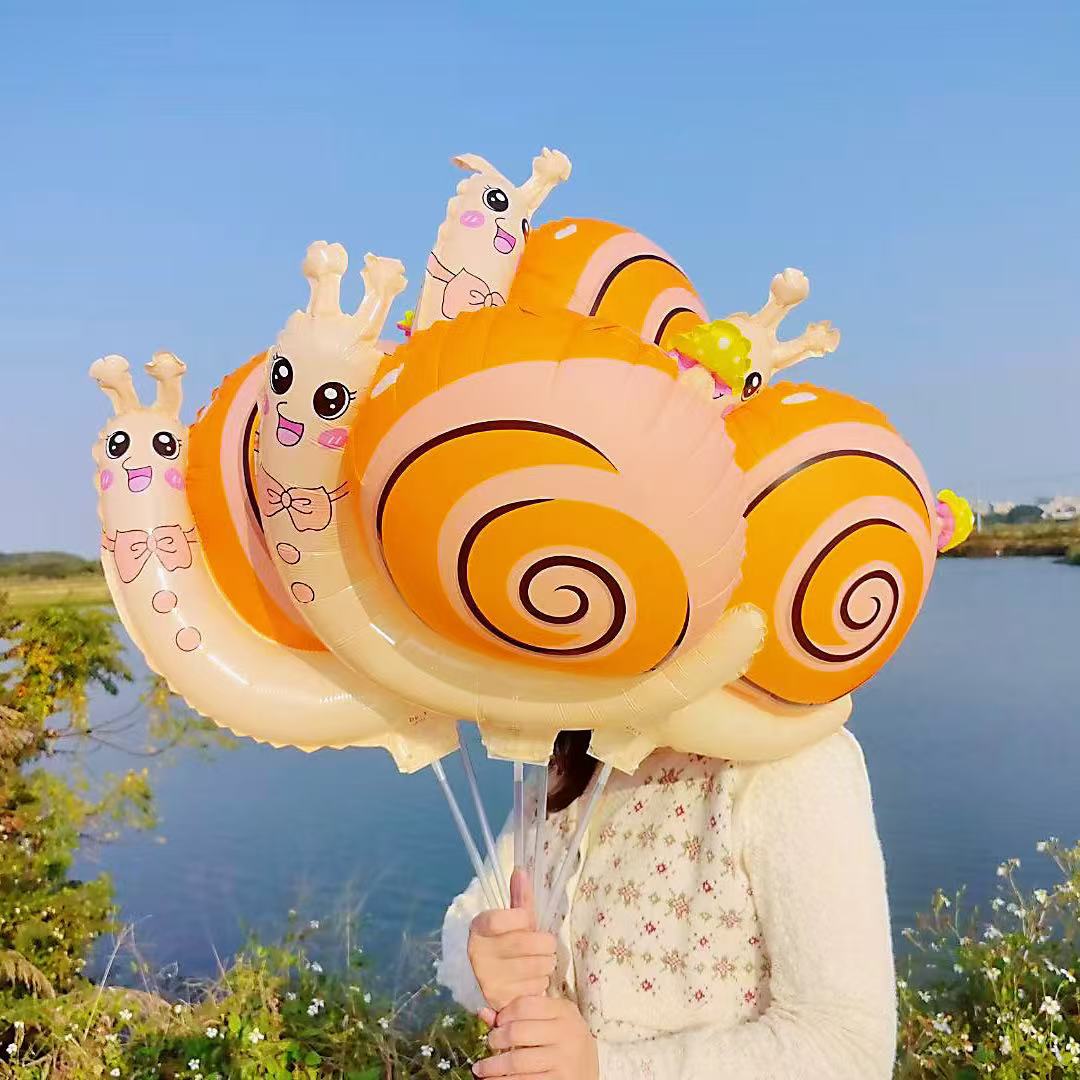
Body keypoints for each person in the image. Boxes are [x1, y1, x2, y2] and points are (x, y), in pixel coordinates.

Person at [438, 728, 897, 1079]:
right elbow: (473, 918)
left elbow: (848, 1048)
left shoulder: (792, 762)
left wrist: (608, 1069)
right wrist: (487, 963)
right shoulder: (568, 760)